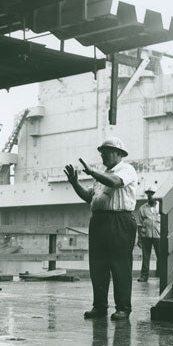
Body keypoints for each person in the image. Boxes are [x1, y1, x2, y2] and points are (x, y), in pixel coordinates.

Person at [64, 137, 138, 321]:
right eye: (101, 151)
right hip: (99, 221)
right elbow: (89, 197)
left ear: (119, 154)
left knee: (120, 266)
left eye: (107, 150)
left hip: (119, 219)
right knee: (98, 266)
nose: (103, 154)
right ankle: (99, 307)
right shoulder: (101, 176)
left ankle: (123, 308)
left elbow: (114, 182)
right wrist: (75, 183)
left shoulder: (126, 169)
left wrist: (92, 172)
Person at [136, 185, 160, 282]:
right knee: (146, 256)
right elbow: (140, 224)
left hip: (159, 236)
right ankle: (144, 276)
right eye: (148, 194)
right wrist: (139, 239)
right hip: (146, 236)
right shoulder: (142, 208)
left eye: (152, 194)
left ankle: (161, 274)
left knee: (161, 256)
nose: (150, 196)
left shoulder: (161, 207)